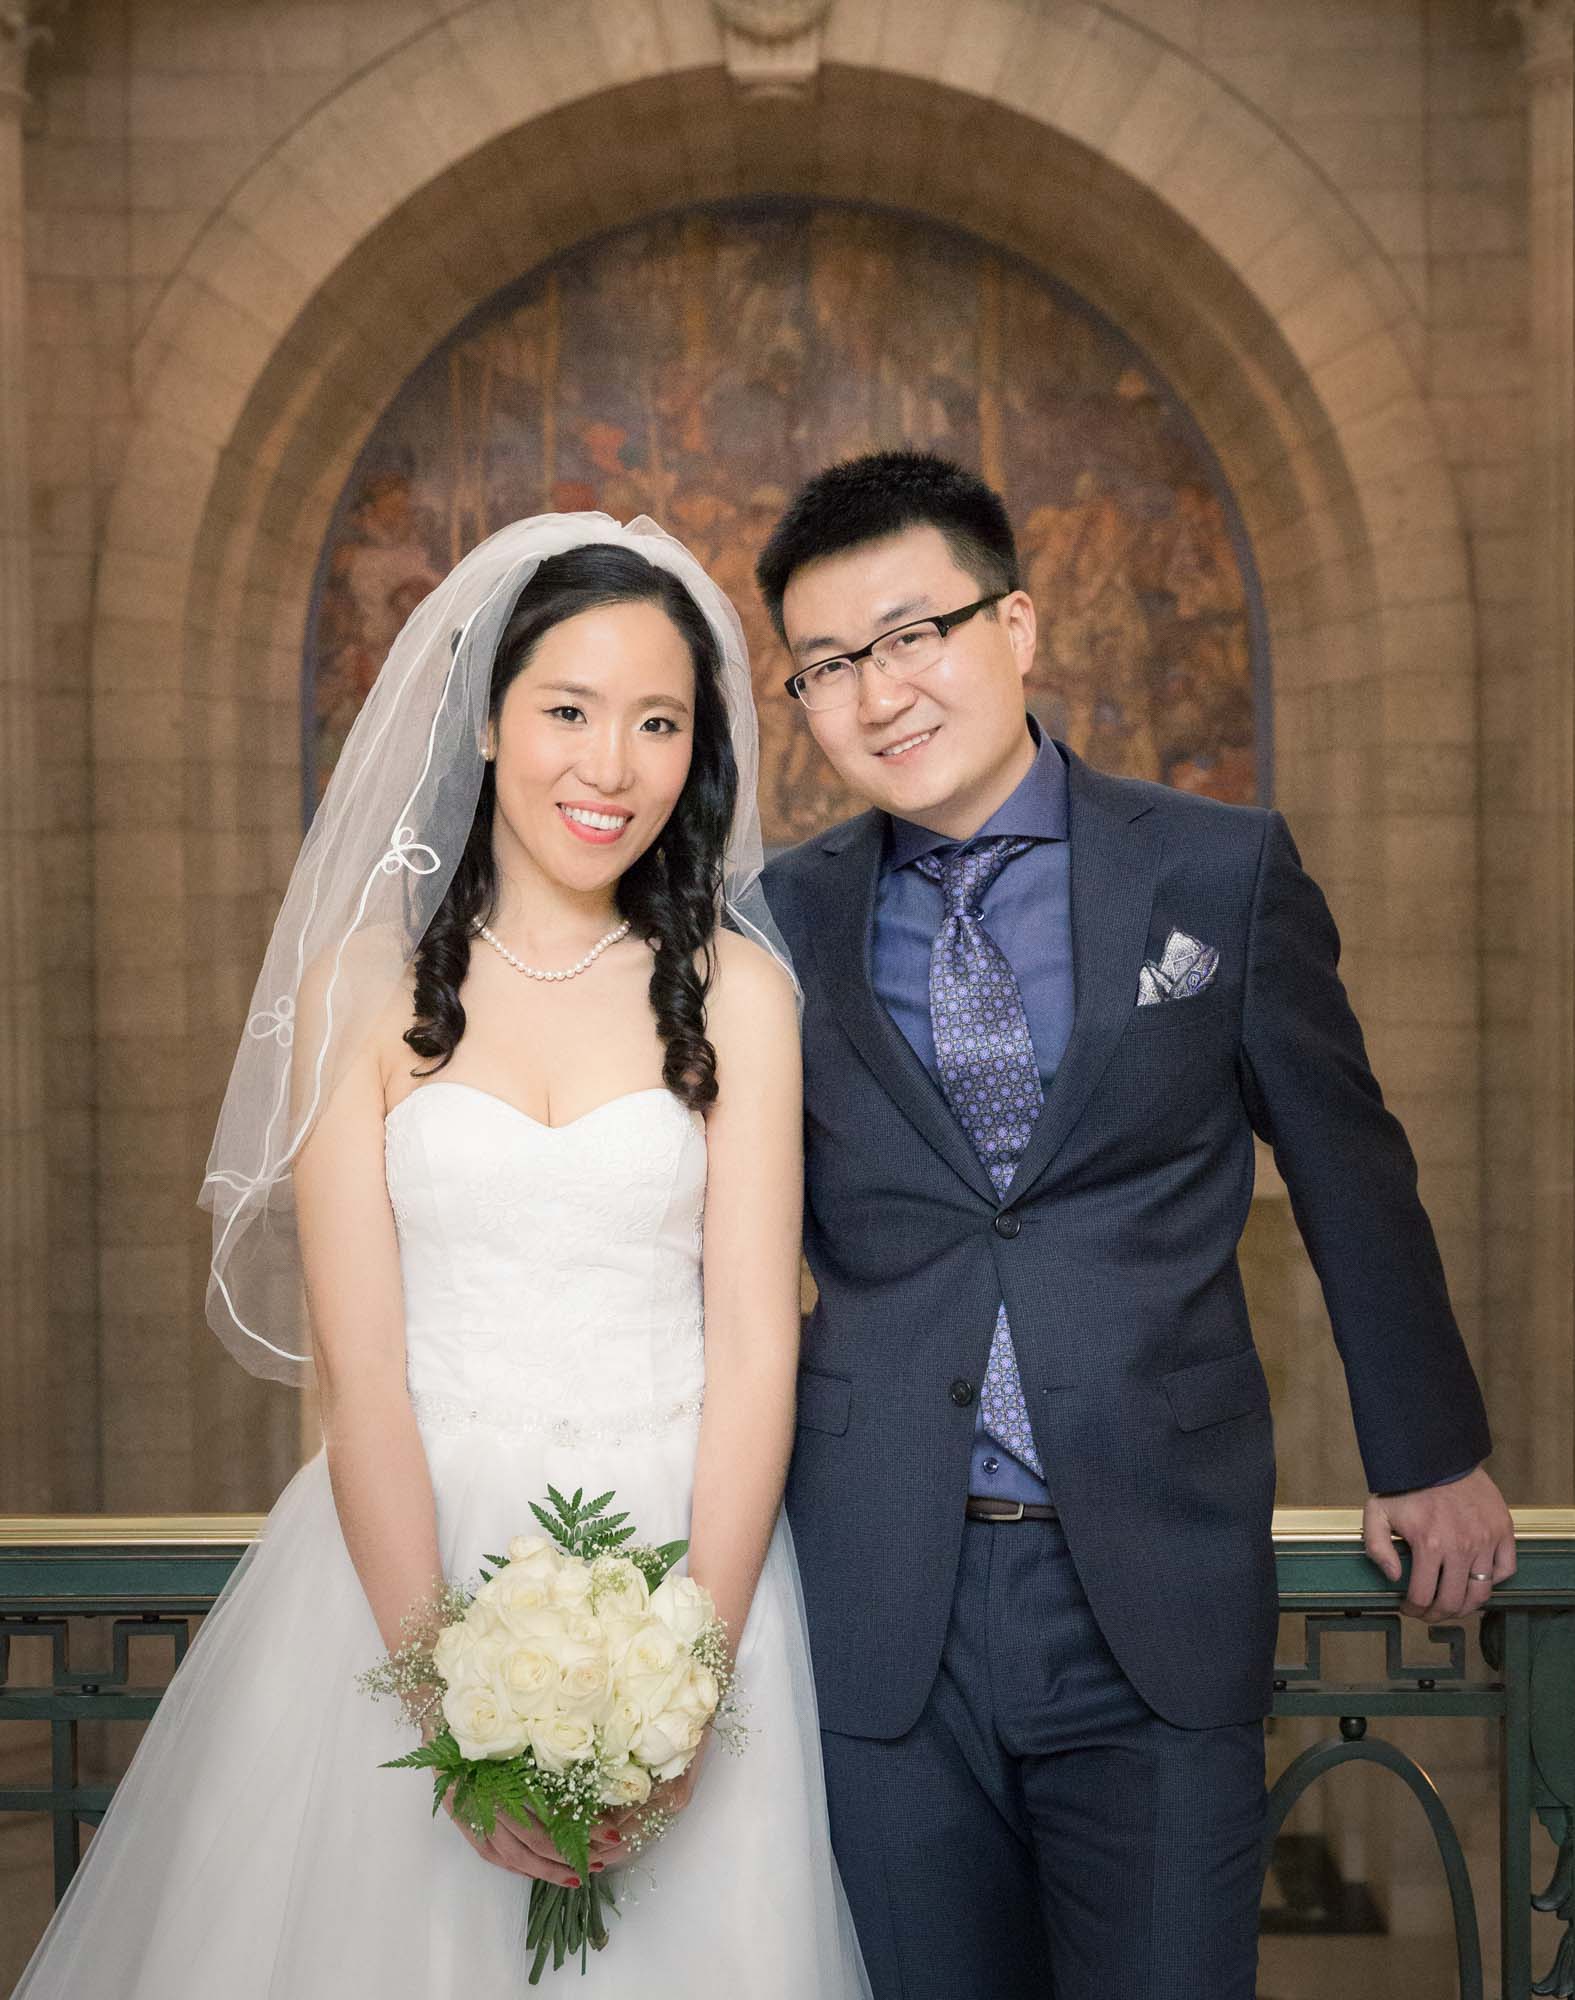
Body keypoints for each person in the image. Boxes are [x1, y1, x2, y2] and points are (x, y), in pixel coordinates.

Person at [13, 517, 870, 1999]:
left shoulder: (739, 996)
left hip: (687, 1556)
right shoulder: (364, 990)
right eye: (569, 711)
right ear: (485, 720)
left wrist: (686, 1676)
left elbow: (755, 1350)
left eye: (659, 723)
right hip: (403, 1567)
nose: (611, 766)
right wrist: (446, 1704)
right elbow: (370, 1389)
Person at [755, 451, 1516, 2000]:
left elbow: (1351, 1167)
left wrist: (1427, 1450)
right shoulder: (779, 918)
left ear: (1018, 626)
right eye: (827, 666)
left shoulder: (1217, 869)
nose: (878, 694)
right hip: (877, 1585)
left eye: (914, 636)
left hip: (1151, 1578)